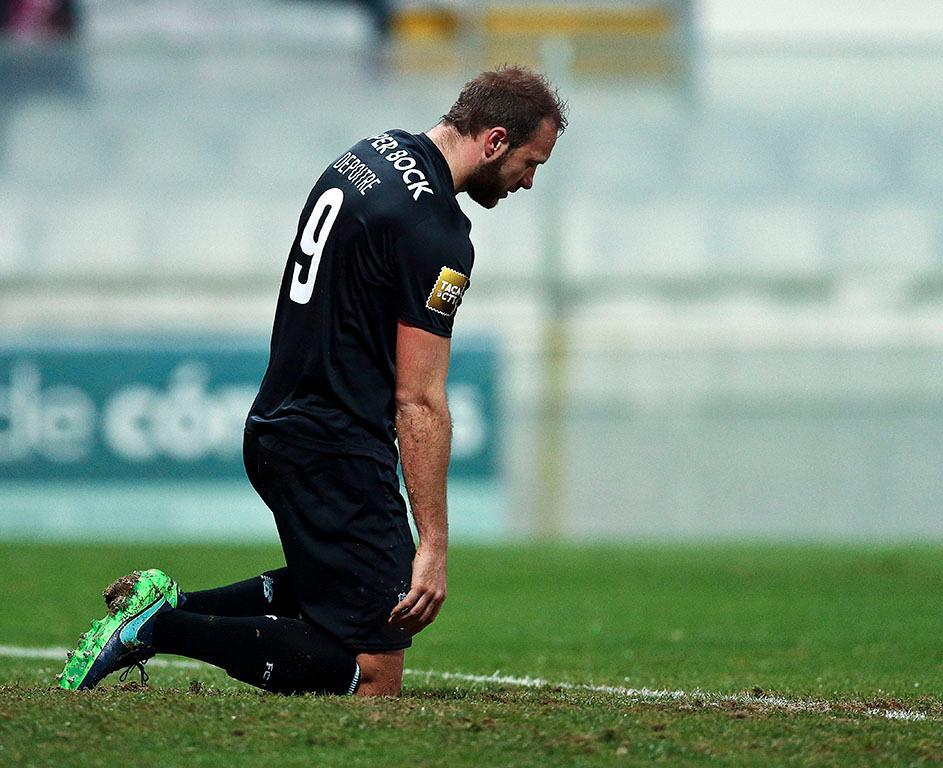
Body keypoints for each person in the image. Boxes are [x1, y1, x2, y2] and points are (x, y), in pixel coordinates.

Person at [58, 66, 567, 697]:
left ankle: (170, 603)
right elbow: (420, 400)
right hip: (334, 442)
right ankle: (161, 628)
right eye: (529, 162)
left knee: (356, 579)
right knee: (376, 669)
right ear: (493, 142)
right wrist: (434, 541)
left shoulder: (370, 153)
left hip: (279, 421)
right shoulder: (436, 233)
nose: (529, 180)